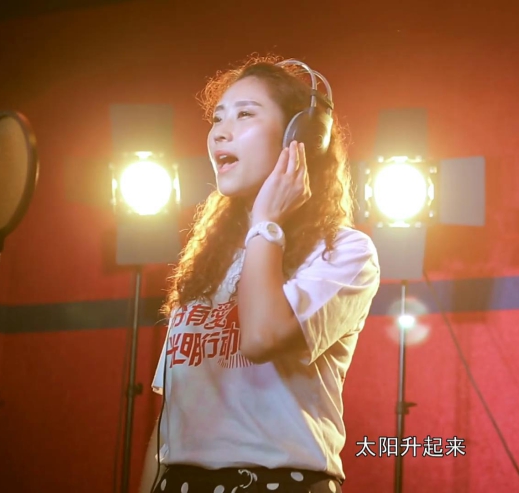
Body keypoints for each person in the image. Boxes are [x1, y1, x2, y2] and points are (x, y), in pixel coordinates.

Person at [139, 55, 381, 493]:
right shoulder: (206, 262)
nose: (220, 132)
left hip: (280, 482)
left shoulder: (343, 251)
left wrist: (266, 222)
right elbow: (170, 420)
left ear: (299, 138)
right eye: (218, 118)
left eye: (245, 114)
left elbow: (261, 337)